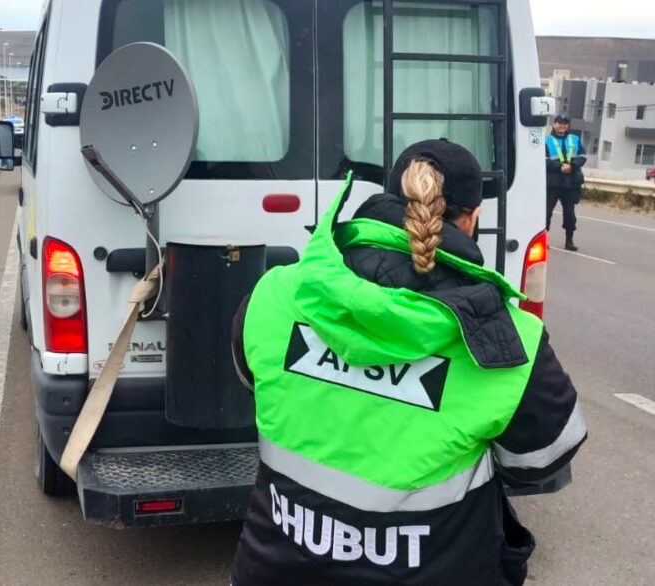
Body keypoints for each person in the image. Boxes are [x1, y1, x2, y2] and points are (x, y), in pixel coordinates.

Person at [229, 139, 586, 586]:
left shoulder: (276, 292)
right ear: (472, 219)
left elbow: (252, 377)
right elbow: (541, 460)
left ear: (389, 201)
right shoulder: (507, 342)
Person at [546, 114, 586, 251]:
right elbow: (543, 160)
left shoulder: (575, 139)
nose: (562, 125)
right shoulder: (546, 141)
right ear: (554, 124)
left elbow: (582, 157)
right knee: (546, 213)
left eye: (565, 123)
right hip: (552, 184)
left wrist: (572, 166)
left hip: (570, 184)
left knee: (570, 215)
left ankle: (569, 241)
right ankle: (544, 240)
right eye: (559, 123)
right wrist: (560, 167)